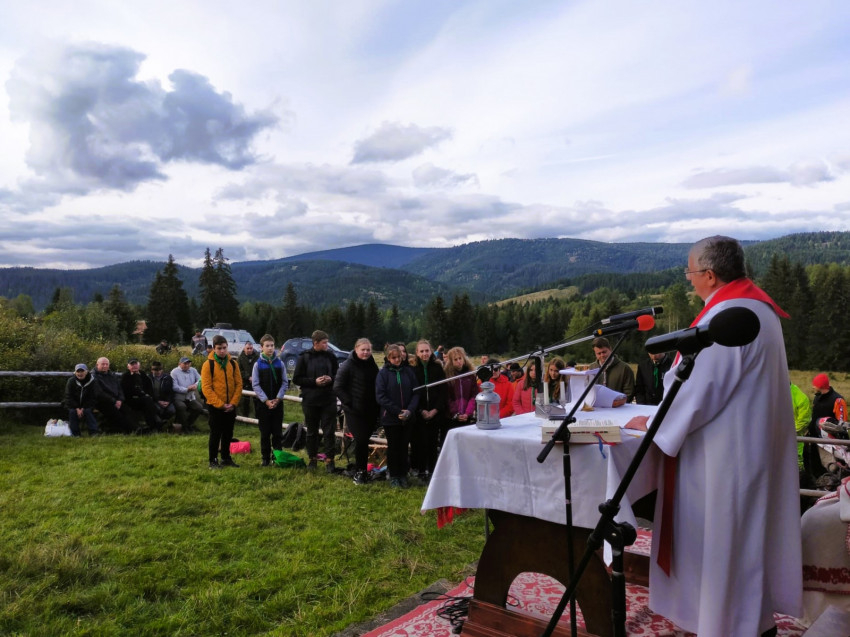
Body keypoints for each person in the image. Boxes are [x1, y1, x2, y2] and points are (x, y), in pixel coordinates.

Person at [625, 235, 802, 636]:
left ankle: (726, 627)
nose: (688, 280)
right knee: (744, 548)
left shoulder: (726, 316)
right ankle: (751, 623)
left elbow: (698, 389)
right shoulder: (758, 308)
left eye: (690, 273)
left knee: (724, 548)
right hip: (747, 446)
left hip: (724, 458)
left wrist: (655, 423)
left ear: (709, 274)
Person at [334, 338, 379, 485]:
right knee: (361, 440)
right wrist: (349, 402)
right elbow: (338, 387)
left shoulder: (372, 365)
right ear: (356, 349)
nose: (365, 352)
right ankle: (360, 471)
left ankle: (363, 470)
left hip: (370, 410)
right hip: (354, 411)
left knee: (365, 440)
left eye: (368, 350)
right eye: (363, 350)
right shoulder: (347, 365)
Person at [293, 330, 340, 472]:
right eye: (324, 343)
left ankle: (330, 460)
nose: (327, 345)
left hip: (328, 399)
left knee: (329, 431)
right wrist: (314, 382)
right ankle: (312, 459)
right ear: (316, 343)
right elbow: (297, 379)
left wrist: (331, 379)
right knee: (311, 431)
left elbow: (338, 375)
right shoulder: (304, 357)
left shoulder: (331, 356)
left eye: (327, 342)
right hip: (310, 400)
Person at [375, 343, 420, 488]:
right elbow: (381, 396)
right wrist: (397, 411)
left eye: (399, 357)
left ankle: (403, 474)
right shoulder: (383, 374)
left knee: (404, 447)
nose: (397, 360)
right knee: (394, 447)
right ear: (388, 358)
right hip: (391, 417)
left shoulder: (409, 372)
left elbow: (416, 392)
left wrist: (409, 410)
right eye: (393, 358)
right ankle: (394, 475)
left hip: (408, 417)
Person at [201, 335, 242, 468]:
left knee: (228, 433)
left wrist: (233, 403)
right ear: (214, 348)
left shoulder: (233, 364)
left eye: (224, 348)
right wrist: (220, 404)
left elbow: (238, 384)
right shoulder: (208, 365)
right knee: (215, 434)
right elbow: (206, 388)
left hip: (231, 405)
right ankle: (213, 460)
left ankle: (226, 457)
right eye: (219, 348)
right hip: (215, 406)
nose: (222, 351)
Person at [411, 339, 449, 482]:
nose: (424, 353)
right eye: (421, 351)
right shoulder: (413, 369)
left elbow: (443, 391)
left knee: (433, 443)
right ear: (417, 353)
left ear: (431, 351)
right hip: (419, 412)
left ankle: (433, 470)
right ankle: (421, 471)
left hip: (435, 412)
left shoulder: (437, 368)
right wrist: (420, 410)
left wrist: (435, 410)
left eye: (427, 350)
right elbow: (412, 391)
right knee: (420, 442)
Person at [251, 334, 289, 467]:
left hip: (277, 404)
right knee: (265, 433)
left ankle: (277, 457)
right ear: (261, 347)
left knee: (277, 433)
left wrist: (278, 398)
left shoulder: (280, 363)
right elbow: (255, 384)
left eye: (272, 345)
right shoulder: (257, 365)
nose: (270, 348)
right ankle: (265, 458)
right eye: (267, 346)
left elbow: (285, 382)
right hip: (263, 405)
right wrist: (266, 400)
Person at [806, 373, 848, 478]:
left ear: (820, 386)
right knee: (814, 466)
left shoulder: (838, 400)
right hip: (815, 438)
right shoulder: (817, 398)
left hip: (830, 443)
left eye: (815, 385)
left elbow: (841, 425)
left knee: (832, 469)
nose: (813, 387)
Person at [589, 337, 635, 402]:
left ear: (610, 349)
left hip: (618, 407)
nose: (602, 355)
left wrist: (616, 403)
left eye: (604, 352)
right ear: (595, 353)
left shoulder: (624, 368)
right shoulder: (592, 368)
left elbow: (629, 393)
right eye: (599, 353)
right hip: (596, 406)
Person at [121, 358, 161, 432]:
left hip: (144, 399)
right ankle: (157, 422)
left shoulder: (143, 374)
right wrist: (143, 394)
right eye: (132, 364)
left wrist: (149, 395)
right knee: (147, 401)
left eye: (136, 364)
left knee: (148, 402)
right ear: (128, 367)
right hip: (131, 399)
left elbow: (149, 388)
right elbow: (127, 391)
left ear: (139, 365)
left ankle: (152, 426)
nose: (134, 366)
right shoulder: (126, 376)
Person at [92, 357, 131, 433]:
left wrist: (120, 400)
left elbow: (120, 389)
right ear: (97, 365)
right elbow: (99, 393)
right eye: (103, 364)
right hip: (102, 402)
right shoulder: (93, 376)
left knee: (127, 410)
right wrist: (114, 401)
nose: (105, 366)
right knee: (115, 413)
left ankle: (132, 428)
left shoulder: (112, 375)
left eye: (107, 364)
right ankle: (130, 430)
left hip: (115, 400)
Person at [444, 346, 477, 430]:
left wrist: (468, 413)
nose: (458, 361)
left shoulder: (470, 375)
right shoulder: (447, 376)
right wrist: (456, 414)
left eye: (460, 358)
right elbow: (447, 397)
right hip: (452, 418)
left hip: (467, 416)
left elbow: (473, 395)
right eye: (455, 359)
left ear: (464, 359)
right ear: (451, 361)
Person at [63, 363, 101, 437]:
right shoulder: (71, 381)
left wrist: (83, 408)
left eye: (82, 371)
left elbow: (93, 397)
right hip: (73, 405)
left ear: (86, 372)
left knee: (87, 411)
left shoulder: (93, 381)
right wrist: (77, 408)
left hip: (88, 404)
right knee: (72, 412)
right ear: (75, 372)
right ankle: (75, 434)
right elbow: (68, 396)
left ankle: (94, 432)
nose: (80, 373)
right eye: (78, 371)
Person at [171, 357, 207, 432]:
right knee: (182, 407)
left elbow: (200, 379)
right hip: (178, 398)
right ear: (179, 364)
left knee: (199, 407)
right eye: (185, 363)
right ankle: (185, 427)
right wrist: (187, 389)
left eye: (188, 363)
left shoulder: (193, 370)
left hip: (190, 397)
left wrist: (195, 385)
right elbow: (174, 387)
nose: (187, 365)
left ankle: (188, 424)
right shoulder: (174, 372)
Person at [149, 361, 176, 425]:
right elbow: (149, 392)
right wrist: (158, 401)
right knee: (158, 409)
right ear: (152, 370)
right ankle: (158, 424)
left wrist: (168, 401)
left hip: (166, 400)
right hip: (154, 400)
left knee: (172, 410)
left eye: (160, 369)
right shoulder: (149, 378)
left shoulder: (167, 378)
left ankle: (163, 423)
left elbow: (171, 391)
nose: (158, 371)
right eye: (156, 370)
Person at [237, 341, 259, 418]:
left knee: (256, 400)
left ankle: (258, 418)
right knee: (245, 401)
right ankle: (245, 417)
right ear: (244, 348)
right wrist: (248, 377)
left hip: (255, 382)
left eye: (251, 348)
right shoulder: (240, 358)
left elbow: (259, 368)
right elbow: (239, 370)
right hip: (245, 382)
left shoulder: (257, 357)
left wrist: (254, 377)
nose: (249, 350)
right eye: (248, 348)